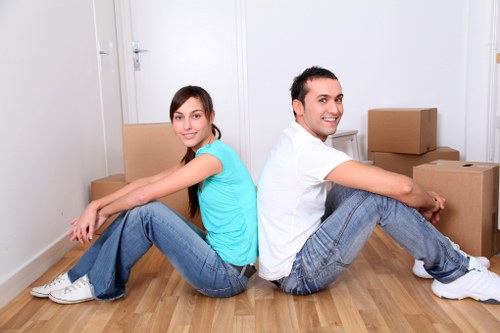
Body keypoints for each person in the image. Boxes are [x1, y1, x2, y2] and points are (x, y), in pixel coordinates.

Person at [257, 66, 500, 303]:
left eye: (338, 99)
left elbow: (388, 183)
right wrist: (427, 203)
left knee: (371, 186)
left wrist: (414, 197)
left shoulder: (294, 139)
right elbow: (403, 188)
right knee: (379, 196)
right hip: (297, 273)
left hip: (288, 263)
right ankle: (455, 272)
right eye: (323, 100)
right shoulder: (306, 151)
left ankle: (431, 257)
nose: (335, 109)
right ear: (298, 107)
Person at [31, 85, 258, 304]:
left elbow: (143, 196)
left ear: (211, 117)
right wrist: (96, 205)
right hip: (217, 254)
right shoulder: (200, 155)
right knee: (142, 209)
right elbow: (148, 181)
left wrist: (105, 212)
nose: (187, 125)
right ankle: (77, 276)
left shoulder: (212, 159)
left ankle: (97, 283)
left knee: (147, 210)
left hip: (227, 276)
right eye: (179, 118)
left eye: (195, 116)